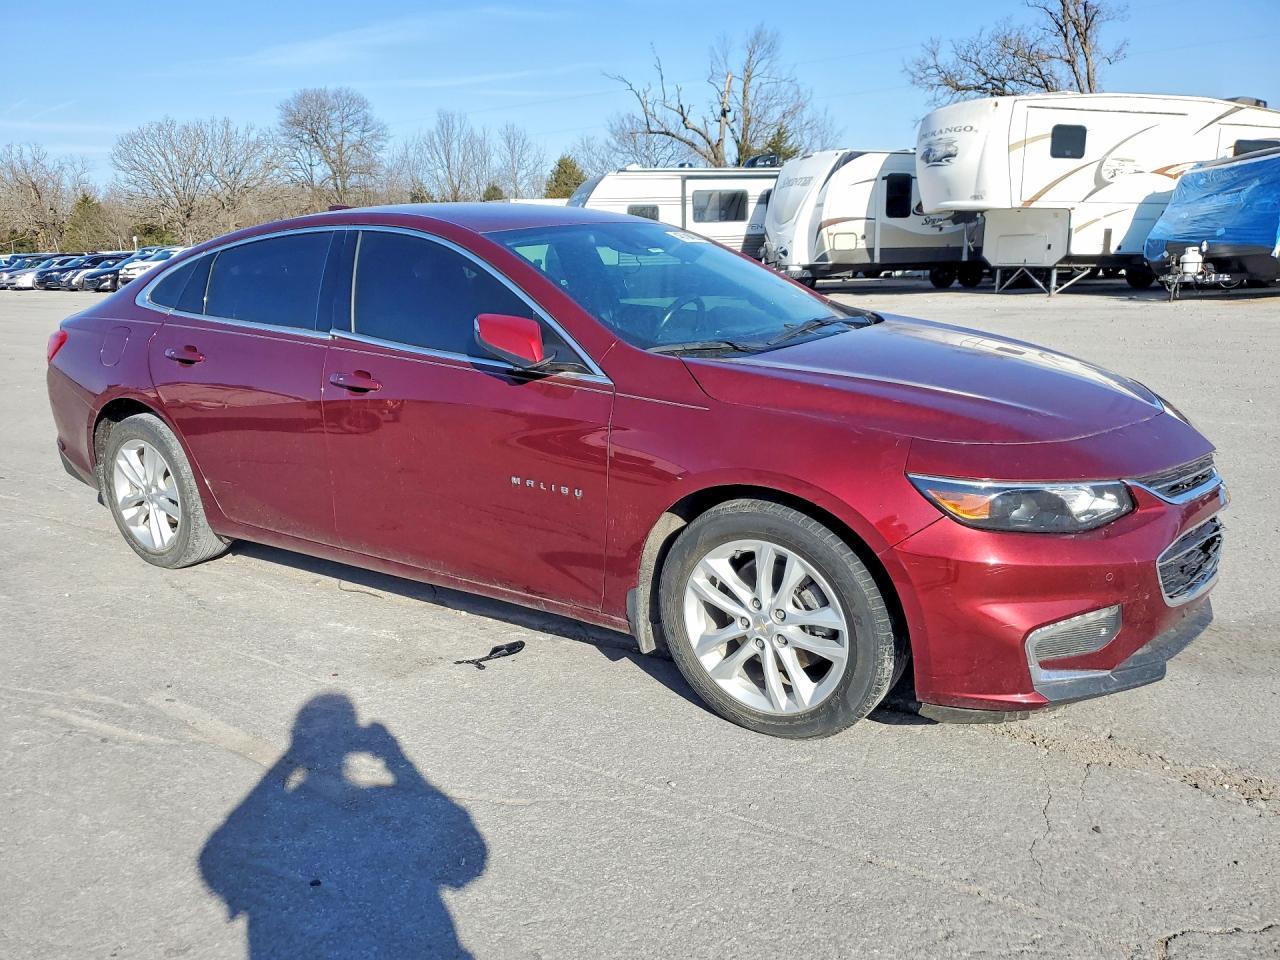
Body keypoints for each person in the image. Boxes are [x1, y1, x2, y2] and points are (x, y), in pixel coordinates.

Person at [199, 694, 486, 958]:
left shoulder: (288, 813)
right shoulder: (384, 805)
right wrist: (397, 759)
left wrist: (289, 761)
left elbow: (219, 853)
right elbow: (466, 854)